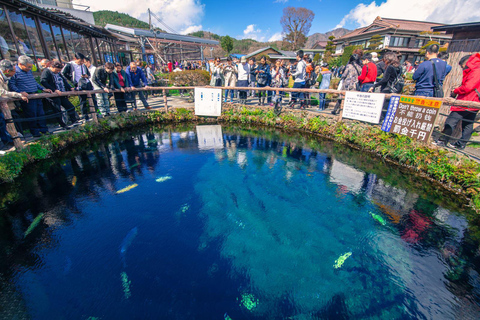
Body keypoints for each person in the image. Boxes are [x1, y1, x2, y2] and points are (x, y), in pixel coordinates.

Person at [435, 54, 480, 150]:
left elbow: (468, 87)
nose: (462, 69)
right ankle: (461, 144)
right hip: (474, 101)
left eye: (462, 67)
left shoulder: (476, 71)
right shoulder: (476, 69)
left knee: (451, 121)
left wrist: (456, 90)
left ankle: (443, 140)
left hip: (467, 101)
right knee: (467, 124)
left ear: (466, 63)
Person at [8, 55, 52, 137]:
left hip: (35, 94)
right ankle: (35, 132)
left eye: (30, 67)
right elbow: (12, 85)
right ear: (21, 64)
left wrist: (42, 89)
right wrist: (20, 92)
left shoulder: (29, 71)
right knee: (32, 114)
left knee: (41, 113)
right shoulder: (15, 72)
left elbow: (34, 82)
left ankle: (44, 130)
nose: (29, 69)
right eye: (28, 67)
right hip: (27, 97)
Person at [40, 60, 79, 129]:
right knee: (57, 110)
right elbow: (43, 82)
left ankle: (74, 121)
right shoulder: (46, 72)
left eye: (59, 70)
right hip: (54, 95)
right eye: (57, 70)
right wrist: (53, 90)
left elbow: (64, 81)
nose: (58, 71)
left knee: (70, 107)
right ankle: (62, 125)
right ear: (52, 67)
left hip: (62, 93)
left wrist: (70, 87)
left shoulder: (58, 73)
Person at [0, 59, 29, 149]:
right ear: (7, 70)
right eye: (13, 71)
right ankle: (8, 141)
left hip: (6, 104)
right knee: (2, 122)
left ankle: (11, 140)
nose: (14, 73)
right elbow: (2, 91)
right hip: (2, 104)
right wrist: (18, 95)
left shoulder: (5, 78)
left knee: (4, 122)